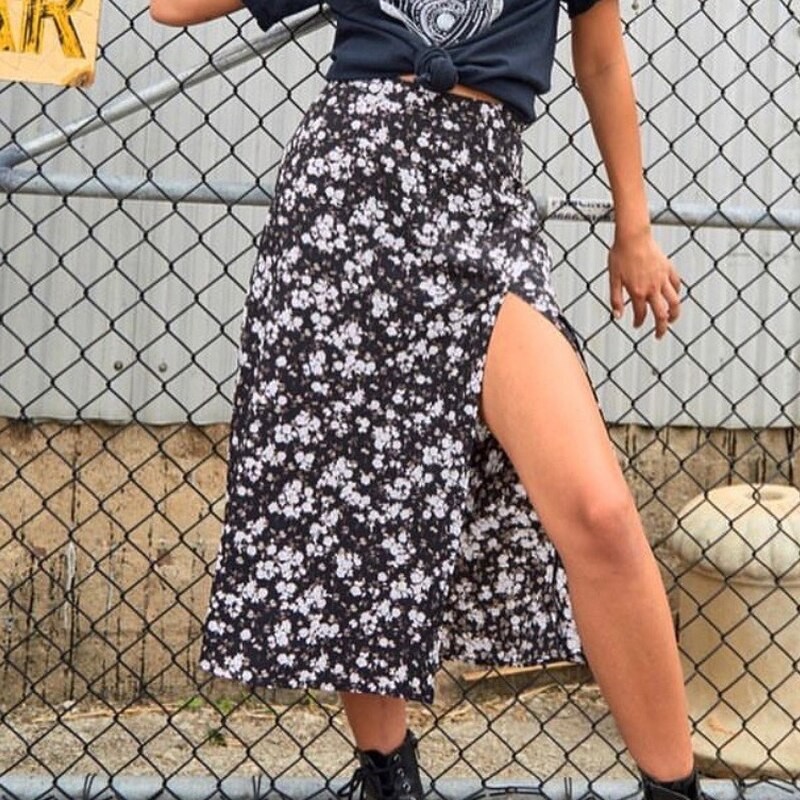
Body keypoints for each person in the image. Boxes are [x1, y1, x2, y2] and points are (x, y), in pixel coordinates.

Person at [150, 0, 706, 798]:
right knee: (359, 504)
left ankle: (675, 790)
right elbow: (172, 9)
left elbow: (602, 60)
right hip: (344, 208)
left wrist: (635, 227)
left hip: (481, 200)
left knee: (599, 512)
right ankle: (388, 778)